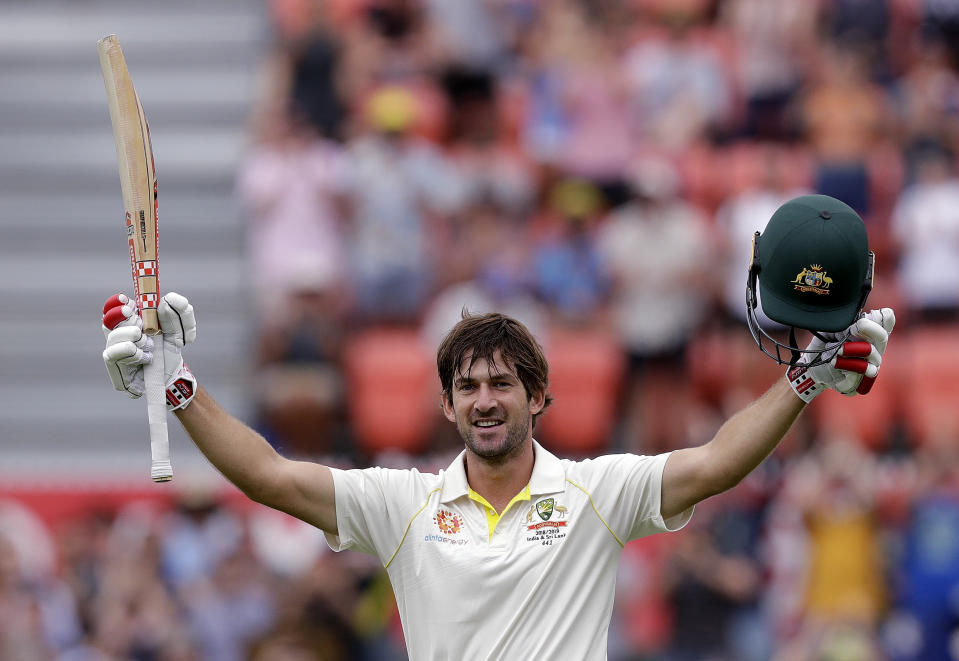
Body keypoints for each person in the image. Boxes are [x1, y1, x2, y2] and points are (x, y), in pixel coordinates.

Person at [100, 196, 896, 659]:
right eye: (468, 386)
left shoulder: (593, 491)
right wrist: (178, 385)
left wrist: (802, 379)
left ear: (538, 395)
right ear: (446, 405)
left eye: (502, 384)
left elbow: (718, 461)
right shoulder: (401, 502)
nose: (484, 399)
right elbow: (270, 475)